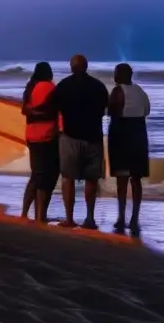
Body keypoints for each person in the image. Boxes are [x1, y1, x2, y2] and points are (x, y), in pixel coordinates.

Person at [53, 54, 109, 229]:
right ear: (86, 67)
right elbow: (104, 110)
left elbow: (55, 109)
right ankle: (90, 219)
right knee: (91, 179)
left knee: (68, 178)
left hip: (70, 137)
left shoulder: (63, 86)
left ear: (71, 67)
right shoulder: (98, 87)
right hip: (93, 137)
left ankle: (69, 219)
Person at [107, 62, 151, 234]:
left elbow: (111, 111)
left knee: (122, 178)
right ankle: (134, 218)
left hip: (121, 134)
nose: (114, 76)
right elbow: (147, 111)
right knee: (136, 178)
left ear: (122, 75)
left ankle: (121, 217)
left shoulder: (117, 91)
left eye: (116, 73)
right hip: (139, 134)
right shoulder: (140, 91)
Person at [21, 61, 59, 222]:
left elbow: (25, 110)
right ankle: (40, 214)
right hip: (47, 136)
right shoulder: (50, 87)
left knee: (36, 174)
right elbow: (53, 111)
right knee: (47, 176)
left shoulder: (30, 87)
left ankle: (26, 212)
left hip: (31, 136)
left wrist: (34, 112)